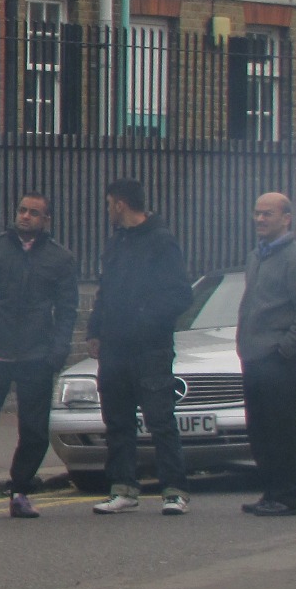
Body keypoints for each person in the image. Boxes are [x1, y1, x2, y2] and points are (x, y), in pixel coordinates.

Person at [0, 192, 78, 521]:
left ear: (45, 220)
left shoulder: (60, 258)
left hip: (36, 357)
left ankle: (20, 490)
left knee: (35, 430)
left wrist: (57, 352)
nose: (25, 216)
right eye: (22, 210)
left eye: (34, 213)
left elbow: (67, 311)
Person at [86, 178, 192, 516]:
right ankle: (123, 488)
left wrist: (146, 319)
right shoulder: (116, 243)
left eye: (108, 205)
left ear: (119, 204)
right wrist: (95, 330)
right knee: (117, 420)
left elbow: (180, 294)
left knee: (159, 418)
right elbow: (105, 291)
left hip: (150, 347)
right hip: (116, 346)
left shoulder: (162, 241)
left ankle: (174, 490)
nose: (108, 212)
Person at [236, 192, 296, 518]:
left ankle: (289, 497)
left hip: (279, 361)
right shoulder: (256, 257)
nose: (260, 219)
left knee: (282, 432)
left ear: (286, 218)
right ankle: (272, 492)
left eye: (268, 214)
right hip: (254, 358)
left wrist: (284, 349)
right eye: (257, 213)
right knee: (260, 430)